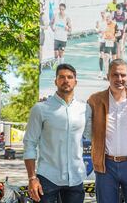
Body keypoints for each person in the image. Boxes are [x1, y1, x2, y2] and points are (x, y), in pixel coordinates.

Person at [23, 64, 90, 203]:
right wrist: (31, 178)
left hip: (76, 178)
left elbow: (93, 136)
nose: (66, 80)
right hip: (47, 178)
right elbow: (29, 143)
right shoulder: (40, 109)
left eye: (70, 77)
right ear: (56, 81)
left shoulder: (85, 108)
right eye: (62, 77)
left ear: (75, 82)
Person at [87, 59, 127, 203]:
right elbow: (86, 128)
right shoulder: (95, 100)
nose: (119, 79)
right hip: (106, 166)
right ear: (108, 76)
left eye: (123, 75)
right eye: (115, 75)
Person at [51, 3, 72, 68]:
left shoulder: (67, 17)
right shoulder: (55, 15)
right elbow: (51, 23)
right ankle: (56, 66)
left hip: (63, 38)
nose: (61, 10)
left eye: (62, 9)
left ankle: (60, 67)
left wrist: (67, 28)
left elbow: (70, 29)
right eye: (60, 9)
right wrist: (52, 28)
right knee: (56, 54)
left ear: (64, 9)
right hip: (56, 37)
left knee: (61, 54)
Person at [96, 10, 107, 79]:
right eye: (101, 13)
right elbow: (96, 30)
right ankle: (101, 72)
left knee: (107, 56)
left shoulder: (107, 21)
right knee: (101, 56)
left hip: (107, 40)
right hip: (101, 40)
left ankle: (107, 72)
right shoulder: (98, 21)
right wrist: (98, 30)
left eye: (103, 13)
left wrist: (104, 32)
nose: (102, 14)